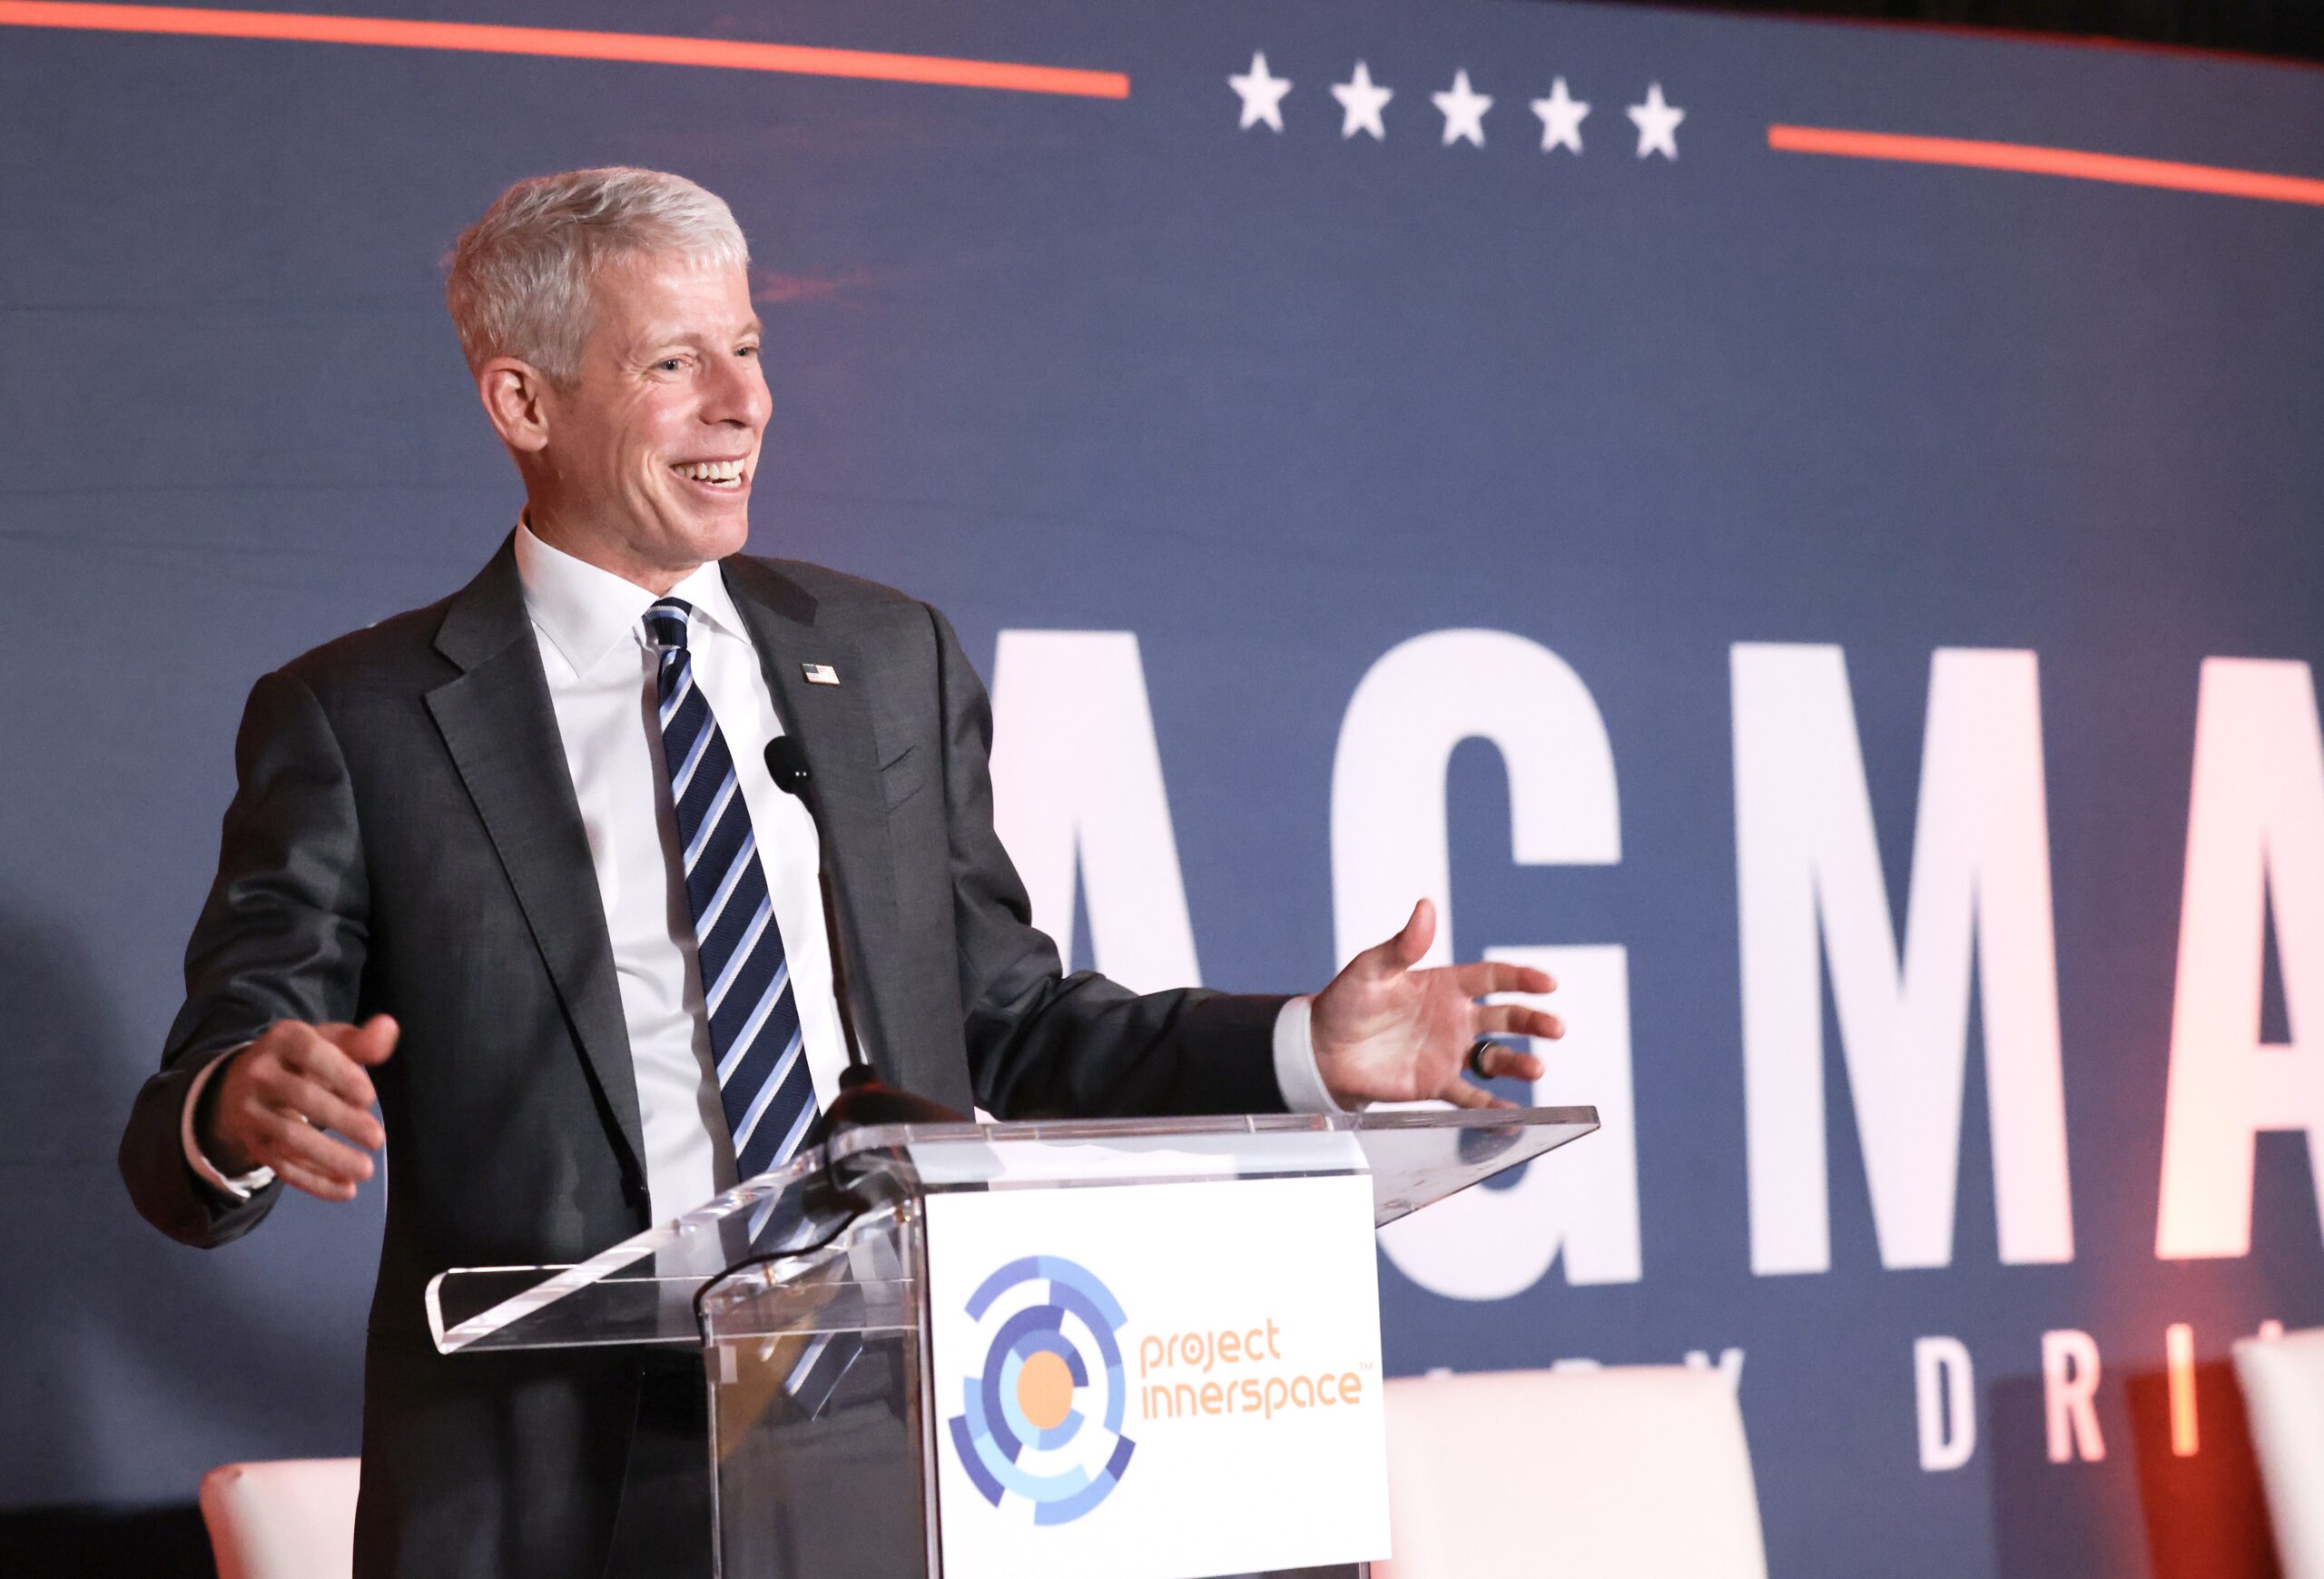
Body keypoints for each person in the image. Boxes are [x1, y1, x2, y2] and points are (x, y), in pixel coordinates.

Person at [118, 167, 1562, 1579]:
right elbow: (192, 1123)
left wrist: (1308, 1044)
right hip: (568, 1491)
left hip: (915, 1445)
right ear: (523, 402)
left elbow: (1010, 1018)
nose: (741, 402)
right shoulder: (363, 720)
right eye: (675, 361)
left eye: (748, 349)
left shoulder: (880, 657)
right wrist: (241, 1107)